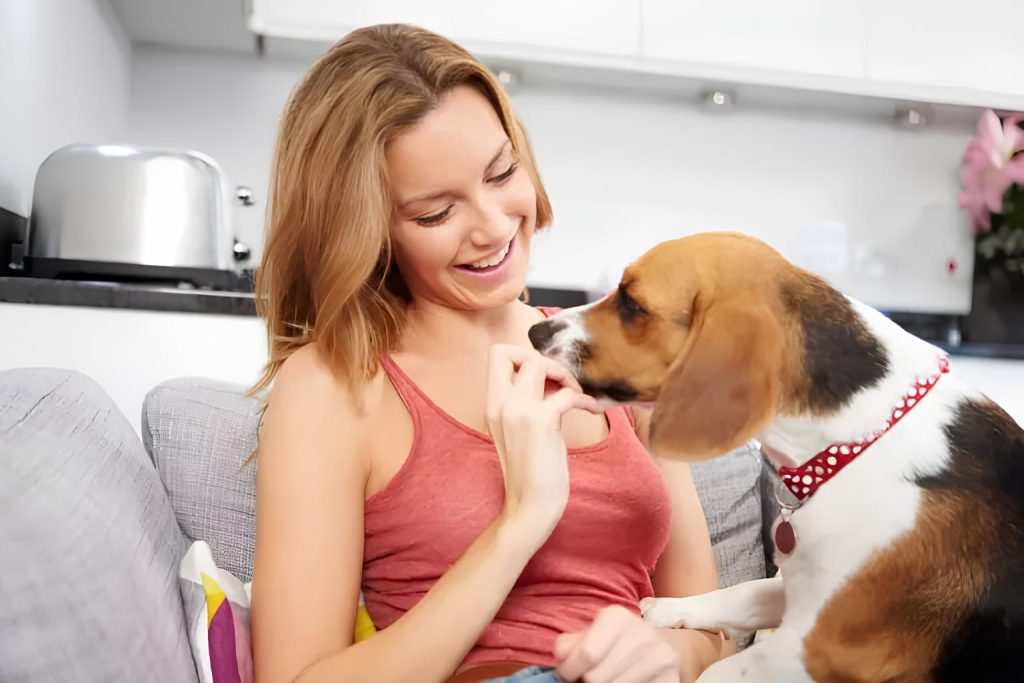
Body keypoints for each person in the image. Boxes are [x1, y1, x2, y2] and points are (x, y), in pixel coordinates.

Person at [250, 23, 731, 683]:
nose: (495, 225)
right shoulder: (336, 384)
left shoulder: (610, 340)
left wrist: (669, 653)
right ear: (369, 231)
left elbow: (708, 625)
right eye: (434, 213)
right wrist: (521, 519)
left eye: (502, 172)